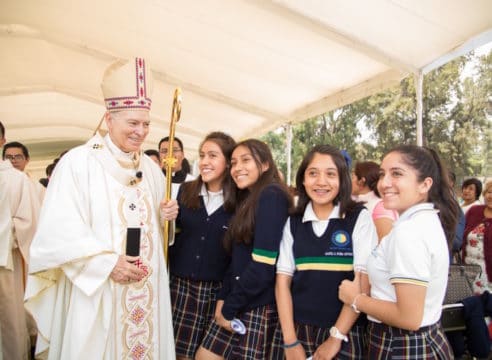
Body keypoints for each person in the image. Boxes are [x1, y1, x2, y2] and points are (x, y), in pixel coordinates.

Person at [25, 57, 177, 359]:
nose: (141, 132)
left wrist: (166, 219)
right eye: (132, 123)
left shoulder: (151, 169)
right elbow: (58, 232)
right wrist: (107, 264)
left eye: (146, 123)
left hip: (145, 296)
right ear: (109, 119)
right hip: (97, 293)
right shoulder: (78, 163)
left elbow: (159, 236)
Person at [339, 145, 459, 359]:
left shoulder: (409, 232)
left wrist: (355, 298)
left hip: (402, 344)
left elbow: (409, 317)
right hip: (417, 340)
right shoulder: (420, 221)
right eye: (383, 174)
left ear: (425, 184)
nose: (384, 183)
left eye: (397, 174)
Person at [273, 145, 377, 359]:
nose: (321, 182)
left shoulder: (358, 217)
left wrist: (335, 337)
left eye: (330, 174)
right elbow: (283, 282)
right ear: (302, 179)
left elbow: (362, 283)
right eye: (313, 173)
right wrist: (290, 341)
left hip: (346, 331)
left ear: (342, 180)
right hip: (297, 330)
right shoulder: (293, 222)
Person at [196, 139, 293, 360]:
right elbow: (237, 257)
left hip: (257, 302)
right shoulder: (249, 198)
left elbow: (263, 264)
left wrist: (229, 307)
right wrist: (223, 298)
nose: (237, 168)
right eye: (234, 162)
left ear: (266, 164)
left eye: (246, 160)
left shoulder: (272, 195)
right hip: (239, 296)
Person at [169, 131, 236, 359]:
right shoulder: (185, 191)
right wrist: (164, 216)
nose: (204, 161)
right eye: (202, 155)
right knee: (180, 354)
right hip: (181, 288)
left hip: (218, 292)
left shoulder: (240, 201)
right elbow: (170, 235)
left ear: (228, 163)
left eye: (212, 155)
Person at [0, 121, 40, 359]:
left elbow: (28, 222)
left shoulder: (16, 180)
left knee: (9, 318)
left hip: (6, 260)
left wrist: (6, 235)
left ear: (2, 140)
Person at [351, 160, 398, 241]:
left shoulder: (380, 208)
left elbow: (384, 246)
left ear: (361, 181)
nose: (350, 181)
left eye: (352, 177)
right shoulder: (356, 201)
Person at [462, 180, 492, 294]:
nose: (491, 196)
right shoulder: (474, 211)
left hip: (488, 276)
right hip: (467, 270)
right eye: (489, 192)